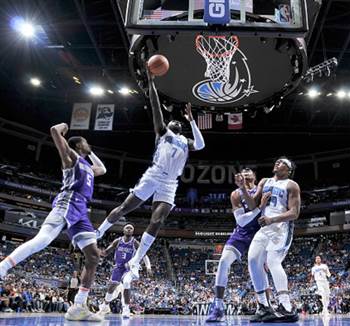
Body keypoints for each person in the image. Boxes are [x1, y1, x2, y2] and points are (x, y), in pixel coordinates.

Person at [95, 63, 205, 280]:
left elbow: (201, 144)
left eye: (178, 120)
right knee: (126, 208)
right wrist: (151, 82)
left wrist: (192, 120)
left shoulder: (186, 141)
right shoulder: (163, 133)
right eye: (172, 120)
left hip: (171, 183)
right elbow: (155, 107)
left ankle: (136, 262)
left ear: (181, 126)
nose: (174, 121)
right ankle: (98, 232)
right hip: (154, 175)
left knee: (157, 221)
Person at [0, 123, 107, 321]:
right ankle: (3, 267)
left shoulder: (89, 166)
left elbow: (103, 169)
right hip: (68, 201)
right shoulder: (71, 158)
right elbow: (53, 131)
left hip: (82, 210)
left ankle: (79, 306)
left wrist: (90, 152)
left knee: (93, 256)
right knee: (43, 240)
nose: (88, 143)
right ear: (78, 146)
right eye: (86, 142)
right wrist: (65, 126)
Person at [206, 168, 269, 322]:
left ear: (254, 175)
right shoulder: (235, 194)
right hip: (242, 233)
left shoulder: (263, 187)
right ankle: (218, 307)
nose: (246, 172)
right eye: (243, 171)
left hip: (261, 231)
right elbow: (241, 221)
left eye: (249, 171)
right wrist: (259, 208)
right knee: (223, 262)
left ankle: (267, 306)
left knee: (261, 268)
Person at [244, 157, 300, 323]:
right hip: (265, 227)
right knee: (253, 260)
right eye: (277, 161)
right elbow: (252, 206)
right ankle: (264, 306)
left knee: (273, 261)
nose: (278, 162)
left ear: (289, 170)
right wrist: (244, 189)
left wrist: (272, 220)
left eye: (283, 162)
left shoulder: (291, 185)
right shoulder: (264, 181)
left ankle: (287, 307)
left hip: (281, 227)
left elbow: (294, 213)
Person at [98, 224, 151, 319]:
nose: (129, 229)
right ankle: (105, 305)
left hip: (129, 268)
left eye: (131, 228)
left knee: (126, 282)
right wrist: (97, 251)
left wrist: (148, 267)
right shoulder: (117, 241)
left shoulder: (135, 243)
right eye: (127, 228)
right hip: (118, 267)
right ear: (123, 230)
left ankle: (126, 309)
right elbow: (106, 252)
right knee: (111, 287)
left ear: (133, 231)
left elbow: (144, 254)